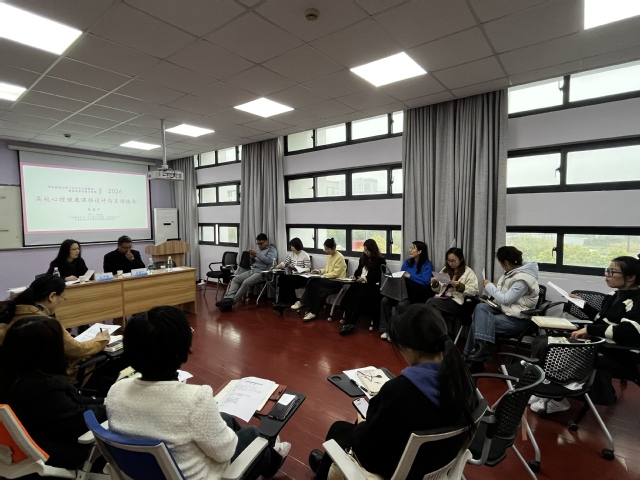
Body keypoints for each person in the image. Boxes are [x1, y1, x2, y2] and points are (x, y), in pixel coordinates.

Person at [106, 306, 291, 480]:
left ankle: (269, 454)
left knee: (225, 418)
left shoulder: (116, 390)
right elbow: (225, 452)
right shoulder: (194, 400)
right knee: (252, 434)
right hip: (201, 474)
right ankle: (272, 459)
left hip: (147, 470)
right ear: (180, 351)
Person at [308, 304, 478, 480]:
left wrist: (362, 424)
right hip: (435, 462)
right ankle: (326, 466)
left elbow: (368, 450)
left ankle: (325, 470)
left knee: (339, 429)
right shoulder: (462, 377)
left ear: (409, 348)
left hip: (398, 468)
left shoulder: (400, 392)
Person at [529, 255, 640, 413]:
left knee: (554, 349)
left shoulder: (636, 301)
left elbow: (628, 332)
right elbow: (601, 320)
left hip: (620, 352)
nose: (606, 275)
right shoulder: (614, 295)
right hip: (601, 343)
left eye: (612, 272)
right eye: (607, 271)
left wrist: (590, 330)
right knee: (541, 341)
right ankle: (544, 388)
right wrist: (582, 305)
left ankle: (558, 398)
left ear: (630, 277)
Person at [0, 316, 107, 469]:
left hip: (25, 447)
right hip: (61, 450)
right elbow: (79, 420)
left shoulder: (13, 377)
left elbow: (70, 405)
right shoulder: (42, 387)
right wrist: (113, 408)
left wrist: (104, 401)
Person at [0, 275, 110, 383]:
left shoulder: (11, 315)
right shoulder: (46, 324)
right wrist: (101, 339)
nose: (62, 301)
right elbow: (79, 349)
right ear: (52, 296)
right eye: (62, 297)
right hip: (51, 381)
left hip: (16, 383)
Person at [464, 246, 539, 365]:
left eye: (501, 263)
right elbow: (507, 295)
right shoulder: (511, 274)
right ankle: (478, 351)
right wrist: (495, 288)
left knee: (478, 322)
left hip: (518, 320)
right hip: (506, 312)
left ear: (506, 262)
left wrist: (489, 286)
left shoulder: (522, 280)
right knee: (480, 307)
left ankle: (471, 356)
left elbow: (506, 299)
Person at [379, 241, 433, 340]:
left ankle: (398, 333)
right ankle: (386, 330)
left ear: (420, 251)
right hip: (402, 292)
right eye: (410, 248)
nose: (410, 250)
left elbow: (426, 281)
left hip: (416, 295)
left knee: (402, 305)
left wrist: (410, 276)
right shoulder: (408, 262)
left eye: (413, 248)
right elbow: (401, 275)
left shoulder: (427, 264)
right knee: (385, 300)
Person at [216, 233, 278, 311]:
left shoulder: (272, 250)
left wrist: (257, 254)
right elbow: (253, 263)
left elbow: (269, 261)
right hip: (253, 270)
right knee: (235, 279)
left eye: (261, 243)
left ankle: (231, 302)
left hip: (263, 273)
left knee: (246, 283)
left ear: (266, 241)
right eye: (258, 244)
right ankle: (228, 298)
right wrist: (252, 258)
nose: (259, 246)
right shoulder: (260, 250)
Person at [426, 248, 479, 336]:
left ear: (461, 259)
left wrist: (459, 286)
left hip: (457, 302)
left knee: (430, 302)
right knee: (435, 312)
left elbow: (474, 291)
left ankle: (437, 336)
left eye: (453, 261)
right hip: (442, 300)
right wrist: (435, 283)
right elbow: (438, 290)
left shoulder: (468, 272)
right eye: (448, 260)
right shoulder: (445, 270)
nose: (450, 263)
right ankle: (442, 337)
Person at [338, 239, 387, 335]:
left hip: (371, 286)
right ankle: (348, 321)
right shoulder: (363, 258)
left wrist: (365, 278)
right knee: (349, 296)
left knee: (359, 298)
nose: (365, 252)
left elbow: (378, 276)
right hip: (359, 284)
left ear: (372, 250)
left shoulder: (380, 261)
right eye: (364, 250)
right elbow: (358, 271)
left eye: (367, 250)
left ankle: (351, 323)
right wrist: (354, 276)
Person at [292, 238, 346, 322]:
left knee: (315, 284)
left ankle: (308, 307)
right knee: (312, 282)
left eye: (327, 249)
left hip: (336, 282)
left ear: (333, 248)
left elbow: (336, 274)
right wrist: (319, 271)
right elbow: (327, 269)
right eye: (325, 249)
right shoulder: (329, 257)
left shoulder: (340, 257)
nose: (326, 251)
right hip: (328, 280)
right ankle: (310, 309)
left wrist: (323, 276)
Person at [272, 237, 311, 314]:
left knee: (285, 281)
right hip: (293, 276)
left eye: (292, 246)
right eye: (291, 246)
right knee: (282, 278)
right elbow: (284, 263)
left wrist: (299, 269)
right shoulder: (291, 254)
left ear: (297, 246)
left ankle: (283, 302)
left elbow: (308, 269)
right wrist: (276, 267)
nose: (291, 248)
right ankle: (283, 303)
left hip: (302, 277)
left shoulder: (305, 255)